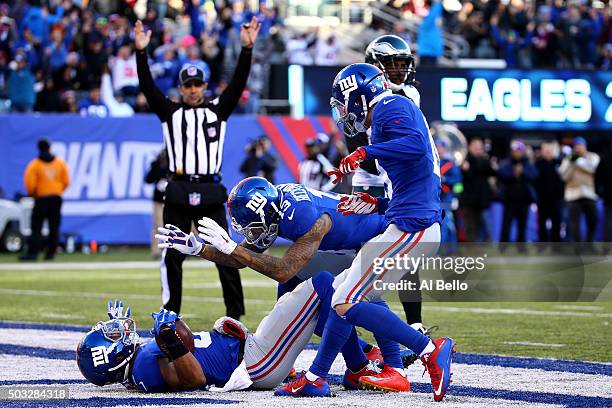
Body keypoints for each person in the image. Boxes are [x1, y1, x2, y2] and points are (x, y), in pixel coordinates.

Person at [281, 64, 454, 400]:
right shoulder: (386, 116)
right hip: (408, 220)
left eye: (343, 102)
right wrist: (374, 201)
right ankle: (319, 377)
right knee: (343, 293)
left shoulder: (391, 105)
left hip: (412, 228)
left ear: (358, 95)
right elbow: (411, 182)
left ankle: (429, 349)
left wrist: (366, 151)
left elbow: (417, 145)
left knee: (346, 298)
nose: (343, 111)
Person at [156, 177, 419, 387]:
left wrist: (232, 248)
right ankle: (363, 354)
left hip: (384, 236)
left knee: (348, 292)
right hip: (351, 245)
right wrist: (199, 248)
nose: (253, 235)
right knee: (296, 291)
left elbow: (283, 268)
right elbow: (242, 259)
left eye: (254, 228)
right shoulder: (275, 206)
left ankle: (393, 365)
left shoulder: (303, 214)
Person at [134, 17, 262, 318]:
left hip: (209, 188)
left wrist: (246, 50)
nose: (192, 90)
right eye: (187, 85)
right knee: (172, 254)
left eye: (197, 84)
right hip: (178, 187)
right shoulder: (170, 112)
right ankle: (169, 314)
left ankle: (235, 316)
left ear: (205, 86)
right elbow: (148, 88)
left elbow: (238, 84)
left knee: (225, 251)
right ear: (181, 87)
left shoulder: (218, 111)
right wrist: (141, 53)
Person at [77, 272, 379, 393]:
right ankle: (356, 366)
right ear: (109, 357)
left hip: (250, 350)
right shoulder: (143, 367)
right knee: (323, 284)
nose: (119, 332)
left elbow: (191, 352)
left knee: (293, 282)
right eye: (112, 336)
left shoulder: (139, 361)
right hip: (256, 363)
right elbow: (193, 379)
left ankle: (362, 355)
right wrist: (169, 338)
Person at [347, 34, 428, 333]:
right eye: (391, 64)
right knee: (363, 250)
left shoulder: (409, 95)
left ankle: (414, 323)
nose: (399, 70)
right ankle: (360, 315)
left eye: (402, 64)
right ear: (375, 66)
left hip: (394, 177)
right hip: (370, 177)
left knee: (405, 251)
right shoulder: (358, 92)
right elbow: (358, 145)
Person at [20, 138, 70, 261]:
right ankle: (51, 254)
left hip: (41, 199)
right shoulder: (60, 163)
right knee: (54, 227)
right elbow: (66, 181)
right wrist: (57, 190)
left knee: (36, 227)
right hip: (56, 198)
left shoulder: (35, 165)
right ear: (50, 147)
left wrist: (34, 193)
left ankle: (33, 253)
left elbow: (30, 184)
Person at [559, 137, 600, 243]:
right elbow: (563, 176)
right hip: (572, 194)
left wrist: (576, 159)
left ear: (585, 146)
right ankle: (578, 246)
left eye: (580, 145)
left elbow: (591, 168)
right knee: (574, 223)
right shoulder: (568, 159)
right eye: (576, 146)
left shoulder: (592, 156)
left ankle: (589, 242)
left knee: (593, 219)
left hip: (589, 193)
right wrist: (572, 163)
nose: (578, 148)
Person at [498, 140, 538, 244]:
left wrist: (522, 172)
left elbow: (534, 176)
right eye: (515, 151)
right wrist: (513, 172)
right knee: (506, 225)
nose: (517, 153)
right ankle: (503, 247)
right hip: (509, 199)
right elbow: (501, 174)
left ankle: (521, 247)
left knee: (522, 225)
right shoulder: (507, 163)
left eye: (519, 151)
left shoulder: (527, 163)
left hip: (524, 200)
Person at [460, 138, 496, 242]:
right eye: (475, 147)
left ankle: (484, 247)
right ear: (470, 147)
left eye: (480, 148)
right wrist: (465, 169)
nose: (478, 150)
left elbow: (492, 172)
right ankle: (471, 250)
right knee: (470, 227)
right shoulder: (464, 160)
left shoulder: (485, 161)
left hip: (482, 201)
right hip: (469, 201)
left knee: (484, 226)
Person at [535, 142, 564, 243]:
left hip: (556, 198)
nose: (547, 152)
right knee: (541, 222)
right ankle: (542, 244)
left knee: (557, 221)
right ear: (542, 151)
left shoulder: (559, 163)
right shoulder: (537, 164)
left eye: (549, 150)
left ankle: (556, 244)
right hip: (542, 198)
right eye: (545, 150)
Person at [145, 150, 169, 260]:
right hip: (159, 201)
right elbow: (148, 180)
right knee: (158, 226)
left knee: (175, 225)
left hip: (172, 200)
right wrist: (155, 167)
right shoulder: (157, 166)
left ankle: (177, 250)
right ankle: (156, 251)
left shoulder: (173, 165)